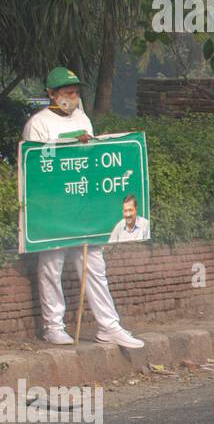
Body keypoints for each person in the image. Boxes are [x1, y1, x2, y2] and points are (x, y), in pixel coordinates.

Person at [22, 67, 144, 348]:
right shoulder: (38, 124)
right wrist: (66, 146)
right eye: (66, 93)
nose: (72, 98)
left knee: (94, 265)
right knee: (52, 265)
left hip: (81, 207)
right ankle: (53, 326)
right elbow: (38, 166)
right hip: (53, 209)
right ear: (51, 94)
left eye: (75, 93)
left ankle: (108, 325)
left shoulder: (82, 118)